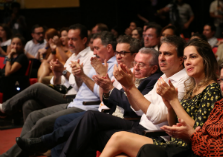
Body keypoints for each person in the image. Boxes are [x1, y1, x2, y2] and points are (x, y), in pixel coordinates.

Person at [57, 36, 191, 157]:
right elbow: (137, 108)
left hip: (152, 135)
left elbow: (155, 116)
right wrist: (128, 87)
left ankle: (48, 144)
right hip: (137, 126)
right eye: (160, 53)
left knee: (89, 125)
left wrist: (129, 87)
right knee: (89, 129)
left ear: (181, 59)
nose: (161, 57)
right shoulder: (163, 76)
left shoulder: (182, 82)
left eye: (167, 54)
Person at [16, 47, 161, 157]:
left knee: (90, 117)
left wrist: (112, 88)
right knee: (65, 122)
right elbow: (109, 102)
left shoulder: (152, 81)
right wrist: (105, 88)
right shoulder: (129, 73)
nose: (136, 67)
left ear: (154, 68)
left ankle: (45, 142)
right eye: (136, 63)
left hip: (129, 121)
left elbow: (133, 108)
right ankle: (45, 143)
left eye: (141, 65)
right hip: (109, 115)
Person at [0, 31, 117, 157]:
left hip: (83, 104)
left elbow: (102, 96)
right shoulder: (91, 60)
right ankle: (25, 151)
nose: (94, 52)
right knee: (32, 111)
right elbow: (68, 84)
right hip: (73, 100)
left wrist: (75, 73)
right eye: (69, 39)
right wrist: (67, 74)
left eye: (97, 48)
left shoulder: (107, 64)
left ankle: (10, 153)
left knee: (39, 99)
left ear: (109, 48)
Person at [99, 38, 222, 157]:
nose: (187, 62)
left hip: (186, 149)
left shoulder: (211, 89)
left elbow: (197, 131)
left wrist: (173, 101)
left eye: (193, 57)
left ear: (206, 59)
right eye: (186, 58)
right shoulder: (191, 87)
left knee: (117, 136)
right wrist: (169, 107)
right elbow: (171, 125)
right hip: (173, 143)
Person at [135, 56, 223, 157]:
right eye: (221, 80)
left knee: (147, 151)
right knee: (147, 150)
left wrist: (192, 135)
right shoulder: (222, 104)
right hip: (191, 149)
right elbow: (202, 133)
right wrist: (186, 134)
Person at [0, 24, 93, 119]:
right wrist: (57, 75)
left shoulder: (90, 58)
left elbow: (81, 86)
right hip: (63, 93)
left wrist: (64, 71)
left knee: (37, 87)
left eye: (73, 39)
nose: (69, 42)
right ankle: (29, 134)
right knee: (29, 104)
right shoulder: (72, 57)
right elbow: (59, 83)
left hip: (74, 98)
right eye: (68, 39)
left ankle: (5, 107)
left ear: (84, 40)